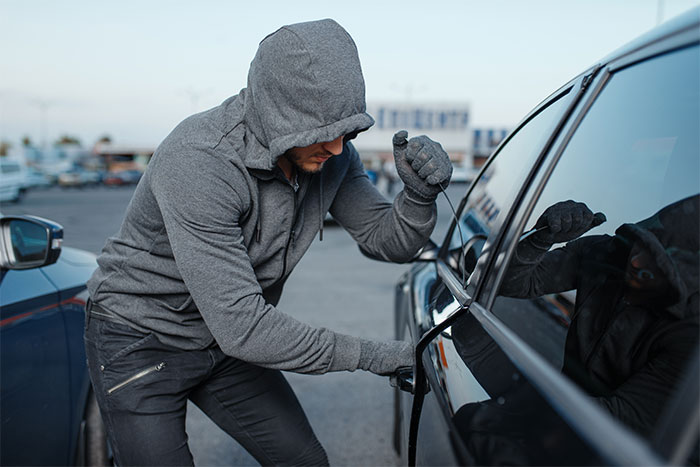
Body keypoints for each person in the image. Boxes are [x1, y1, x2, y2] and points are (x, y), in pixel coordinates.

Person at [84, 19, 452, 466]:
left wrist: (417, 197)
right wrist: (377, 355)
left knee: (304, 462)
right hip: (140, 337)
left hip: (224, 341)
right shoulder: (200, 160)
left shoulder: (330, 155)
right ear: (281, 114)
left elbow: (387, 241)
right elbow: (245, 327)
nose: (337, 148)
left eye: (345, 131)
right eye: (321, 132)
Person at [499, 197, 699, 436]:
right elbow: (513, 284)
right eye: (644, 244)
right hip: (556, 420)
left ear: (686, 280)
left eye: (659, 263)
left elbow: (617, 421)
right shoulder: (607, 255)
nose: (636, 261)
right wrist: (540, 239)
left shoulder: (689, 337)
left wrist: (520, 408)